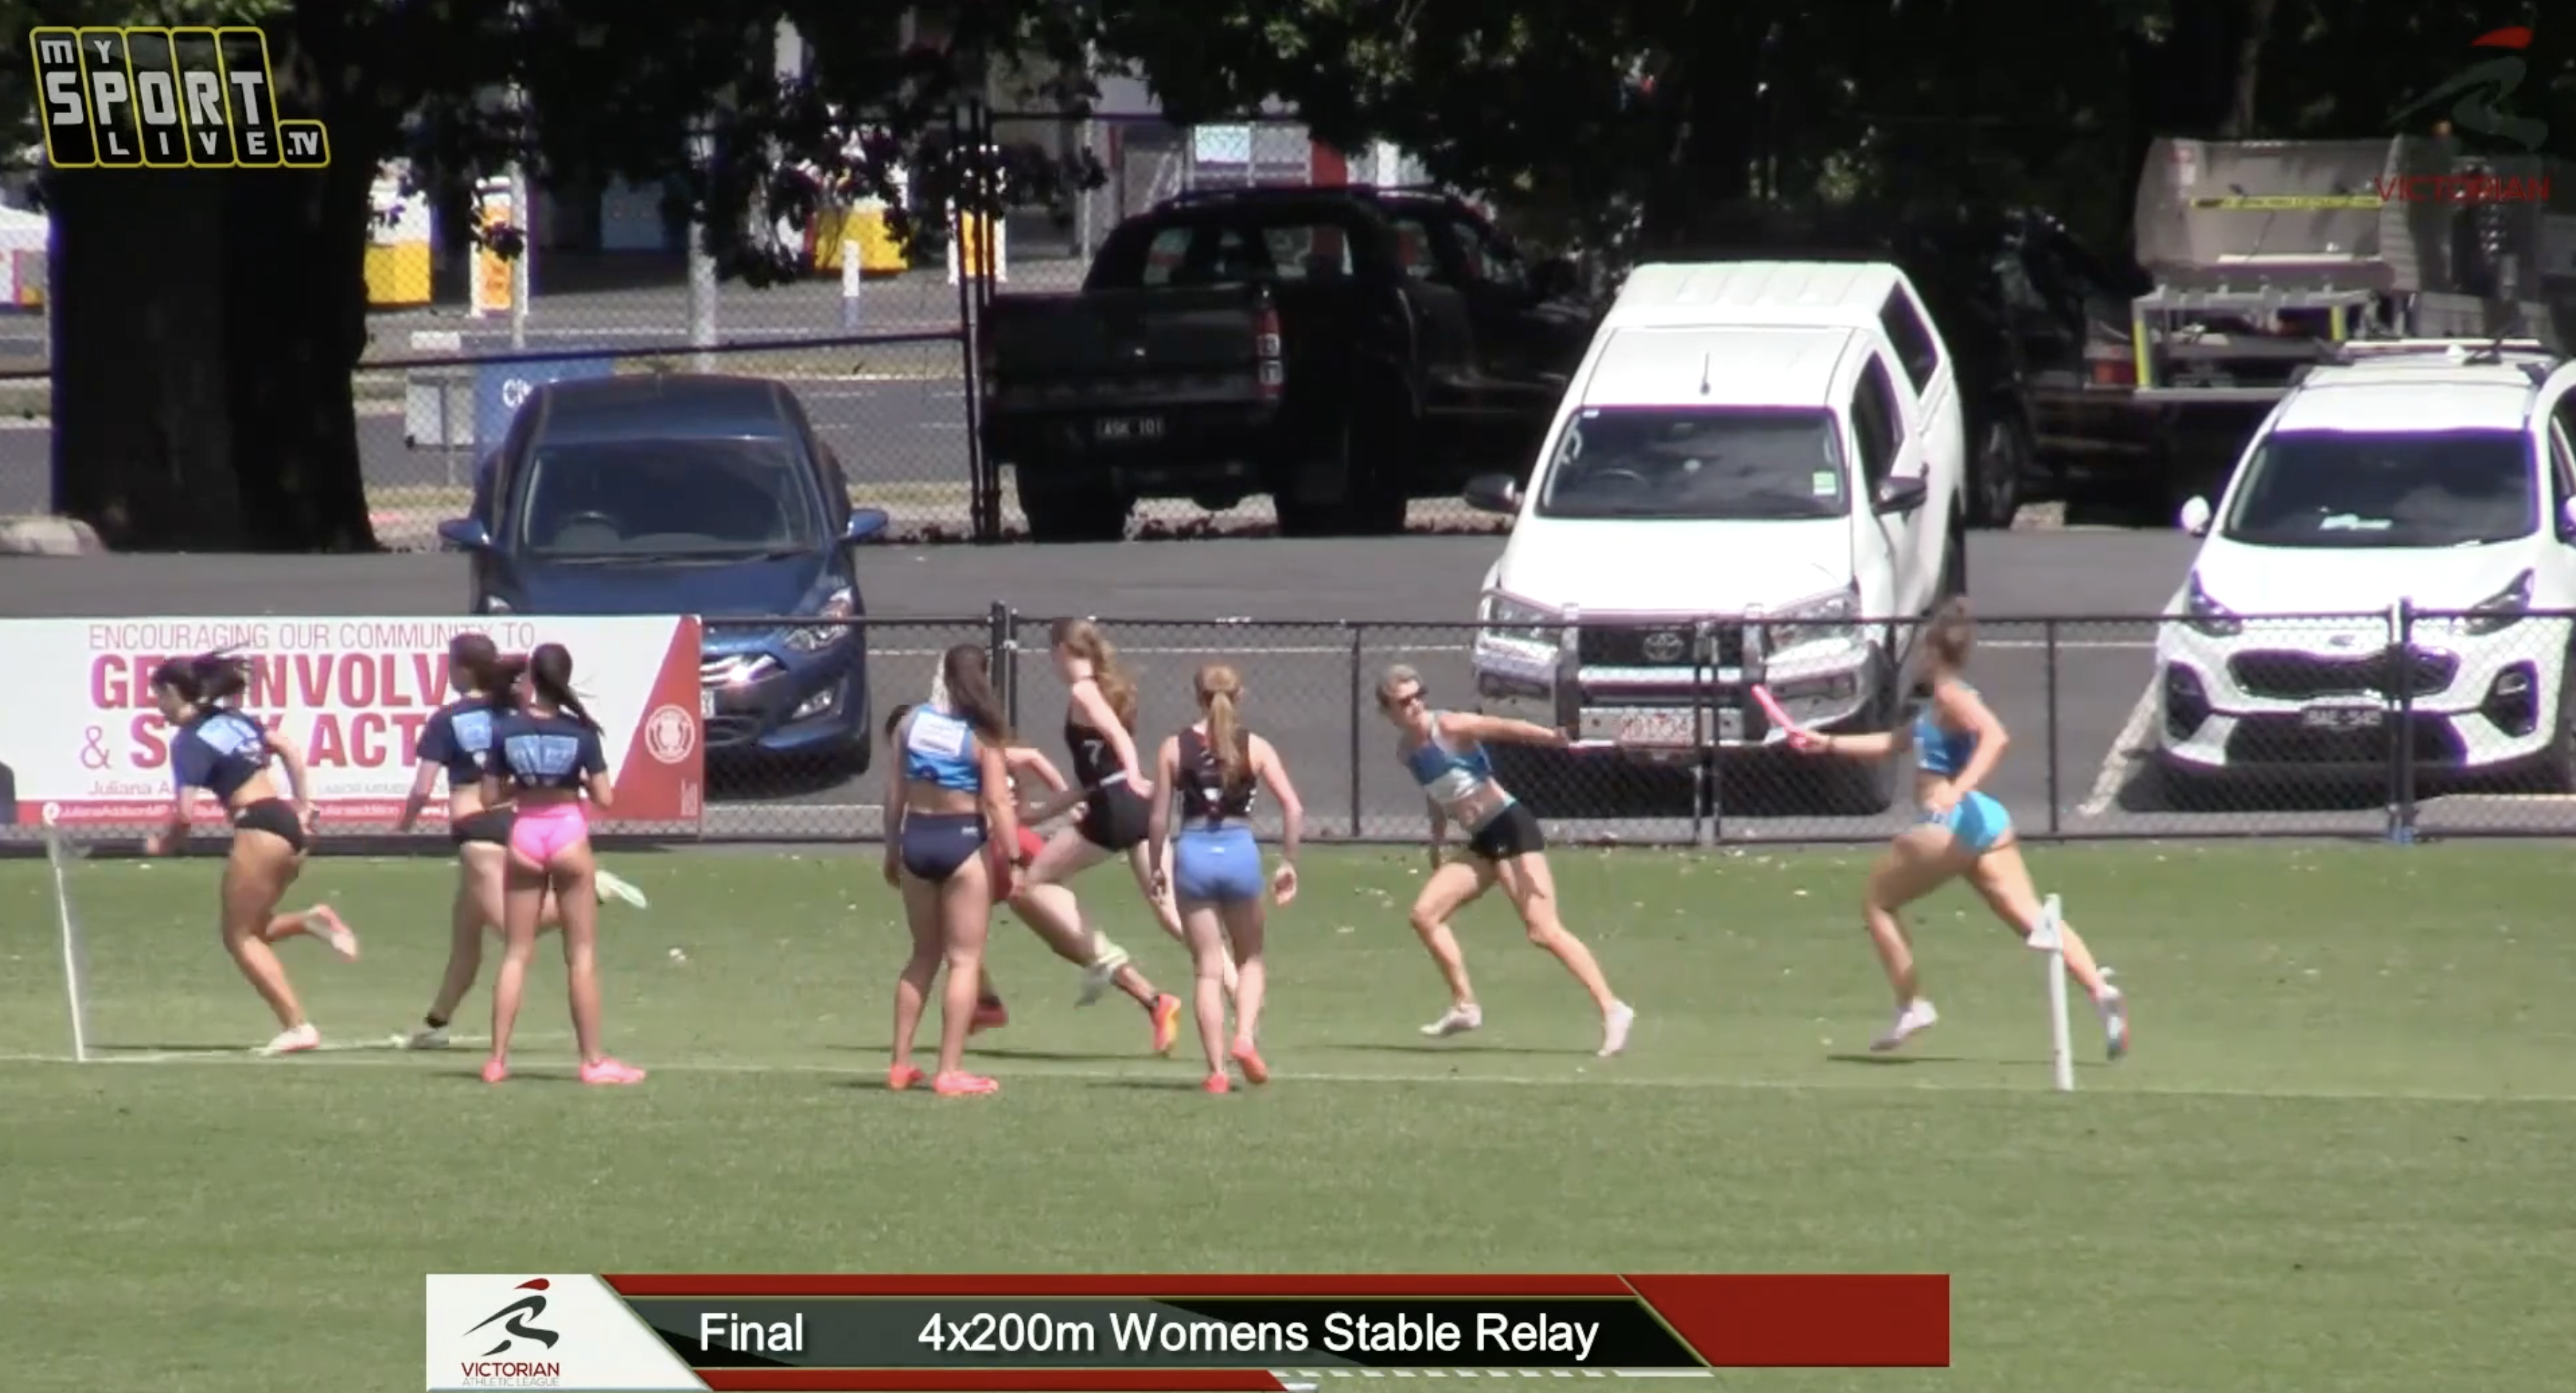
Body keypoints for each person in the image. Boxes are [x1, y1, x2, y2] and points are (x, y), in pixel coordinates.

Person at [1784, 598, 2131, 1057]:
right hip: (1982, 823)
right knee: (2033, 922)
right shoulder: (1939, 707)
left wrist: (1957, 788)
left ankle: (1912, 1004)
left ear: (1932, 651)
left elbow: (1997, 736)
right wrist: (1826, 742)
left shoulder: (1950, 695)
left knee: (1878, 902)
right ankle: (2101, 994)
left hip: (1950, 823)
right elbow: (1893, 743)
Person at [394, 634, 648, 1051]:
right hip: (512, 820)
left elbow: (423, 787)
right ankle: (435, 1022)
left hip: (476, 827)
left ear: (462, 670)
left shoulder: (447, 719)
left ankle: (596, 891)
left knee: (506, 926)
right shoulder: (511, 711)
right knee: (466, 934)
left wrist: (404, 824)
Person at [880, 703, 1179, 1052]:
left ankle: (1155, 1001)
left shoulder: (952, 748)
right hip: (998, 849)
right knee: (963, 931)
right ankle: (985, 1001)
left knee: (1073, 942)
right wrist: (1064, 799)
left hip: (1006, 850)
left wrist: (1065, 801)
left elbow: (1025, 763)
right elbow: (1029, 760)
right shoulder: (961, 742)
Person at [1374, 665, 1635, 1058]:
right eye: (1403, 702)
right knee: (1424, 915)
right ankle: (1465, 1006)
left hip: (1510, 827)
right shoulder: (1406, 751)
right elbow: (1437, 792)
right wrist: (1437, 837)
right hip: (1482, 839)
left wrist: (1551, 738)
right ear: (1388, 710)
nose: (1414, 706)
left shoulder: (1449, 726)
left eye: (1417, 696)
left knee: (1543, 930)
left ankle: (1613, 1009)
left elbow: (1503, 727)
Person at [142, 653, 358, 1055]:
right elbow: (289, 749)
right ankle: (312, 921)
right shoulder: (234, 720)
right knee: (253, 929)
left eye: (158, 697)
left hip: (257, 827)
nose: (157, 707)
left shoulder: (189, 741)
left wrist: (163, 844)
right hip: (286, 824)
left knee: (238, 937)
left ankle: (297, 1026)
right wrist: (304, 806)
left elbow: (185, 816)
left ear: (173, 692)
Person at [480, 643, 644, 1085]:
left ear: (532, 678)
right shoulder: (582, 734)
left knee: (516, 953)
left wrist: (524, 787)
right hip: (568, 833)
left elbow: (489, 798)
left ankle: (497, 1060)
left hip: (525, 836)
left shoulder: (507, 730)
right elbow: (606, 798)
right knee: (582, 956)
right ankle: (592, 1061)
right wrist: (571, 785)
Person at [1145, 663, 1303, 1094]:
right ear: (1240, 696)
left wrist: (1158, 865)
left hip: (1194, 854)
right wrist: (1289, 862)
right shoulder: (1256, 747)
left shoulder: (1173, 748)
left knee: (1208, 971)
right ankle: (1245, 1038)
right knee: (1250, 957)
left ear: (1196, 695)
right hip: (1239, 854)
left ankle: (1216, 1071)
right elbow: (1292, 807)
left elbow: (1158, 817)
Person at [883, 645, 1023, 1097]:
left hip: (916, 840)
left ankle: (900, 1064)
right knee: (964, 959)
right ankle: (949, 1069)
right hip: (963, 841)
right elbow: (999, 803)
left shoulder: (910, 722)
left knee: (922, 956)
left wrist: (891, 848)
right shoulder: (983, 735)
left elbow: (894, 792)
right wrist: (1015, 856)